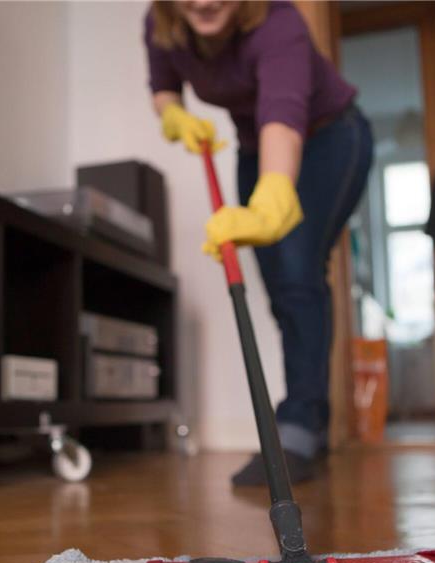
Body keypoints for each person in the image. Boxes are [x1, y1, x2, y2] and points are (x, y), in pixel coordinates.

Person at [145, 0, 373, 484]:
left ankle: (297, 430)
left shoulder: (279, 23)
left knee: (296, 270)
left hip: (328, 137)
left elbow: (282, 118)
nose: (203, 2)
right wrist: (175, 118)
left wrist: (273, 197)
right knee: (281, 284)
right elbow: (163, 88)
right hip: (254, 148)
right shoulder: (162, 23)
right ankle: (311, 421)